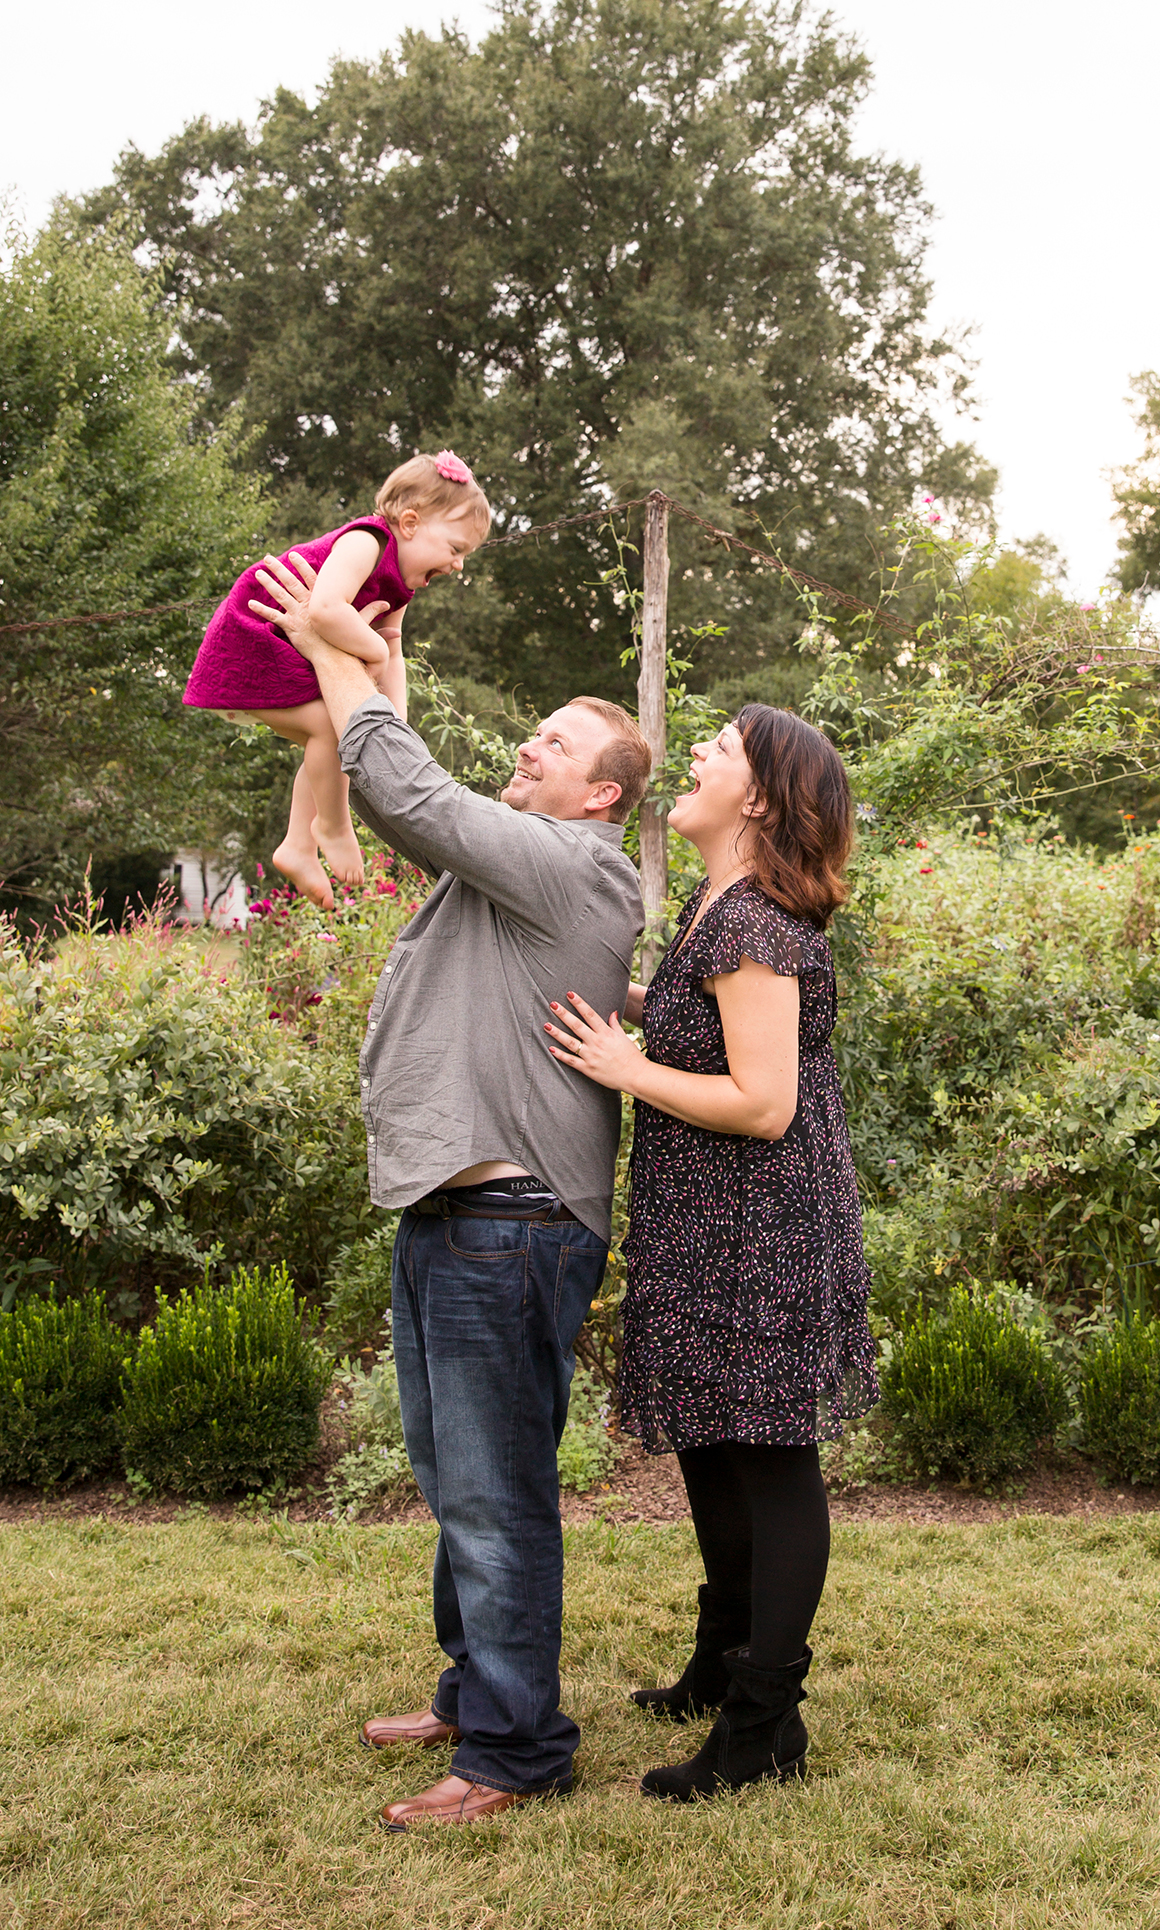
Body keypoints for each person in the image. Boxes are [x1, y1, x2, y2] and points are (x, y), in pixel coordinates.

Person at [247, 547, 649, 1833]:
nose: (529, 748)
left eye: (556, 744)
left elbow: (403, 789)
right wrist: (375, 654)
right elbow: (408, 761)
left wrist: (324, 644)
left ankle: (516, 1752)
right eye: (534, 731)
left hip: (511, 1222)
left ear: (602, 800)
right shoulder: (513, 866)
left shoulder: (575, 870)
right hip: (461, 1213)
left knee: (493, 1490)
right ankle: (477, 1692)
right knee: (456, 1475)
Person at [546, 704, 878, 1800]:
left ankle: (764, 1723)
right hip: (712, 1222)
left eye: (721, 749)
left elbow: (764, 1101)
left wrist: (621, 1064)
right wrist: (629, 1005)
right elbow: (709, 1028)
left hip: (761, 1228)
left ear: (765, 801)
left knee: (770, 1461)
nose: (695, 753)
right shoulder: (716, 905)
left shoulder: (755, 926)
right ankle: (718, 1661)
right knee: (710, 1446)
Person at [184, 450, 491, 907]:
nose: (458, 565)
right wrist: (366, 649)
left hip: (286, 647)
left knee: (331, 727)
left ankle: (297, 845)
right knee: (333, 726)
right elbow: (326, 610)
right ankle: (329, 825)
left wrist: (396, 719)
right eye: (455, 549)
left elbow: (391, 645)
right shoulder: (367, 541)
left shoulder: (400, 584)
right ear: (410, 523)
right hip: (254, 634)